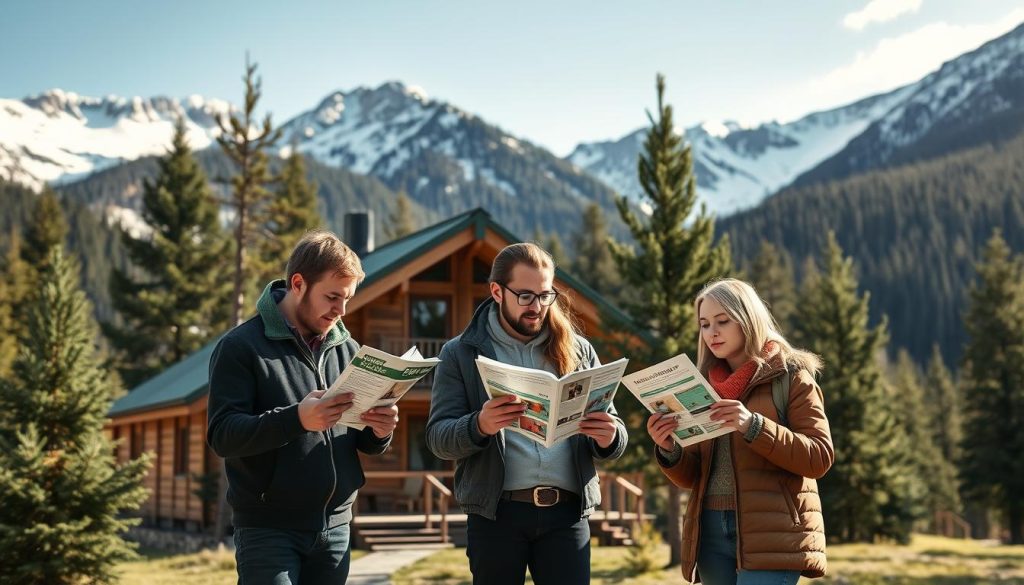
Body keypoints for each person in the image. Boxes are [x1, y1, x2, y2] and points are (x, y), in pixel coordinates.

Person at [426, 242, 627, 585]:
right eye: (525, 296)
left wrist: (610, 437)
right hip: (496, 515)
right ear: (496, 291)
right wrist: (479, 425)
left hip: (568, 514)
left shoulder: (579, 350)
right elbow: (438, 439)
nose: (536, 307)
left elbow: (615, 428)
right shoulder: (459, 353)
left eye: (545, 295)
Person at [207, 230, 399, 585]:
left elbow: (358, 441)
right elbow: (223, 436)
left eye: (347, 299)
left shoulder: (349, 350)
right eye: (332, 297)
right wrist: (297, 419)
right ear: (298, 284)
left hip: (337, 528)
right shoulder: (240, 347)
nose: (341, 311)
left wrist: (379, 432)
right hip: (269, 530)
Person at [647, 278, 833, 585]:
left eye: (723, 321)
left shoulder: (791, 376)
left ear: (748, 320)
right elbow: (693, 477)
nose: (712, 333)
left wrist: (753, 426)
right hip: (709, 532)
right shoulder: (701, 386)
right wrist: (669, 449)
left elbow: (819, 457)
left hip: (772, 533)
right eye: (704, 324)